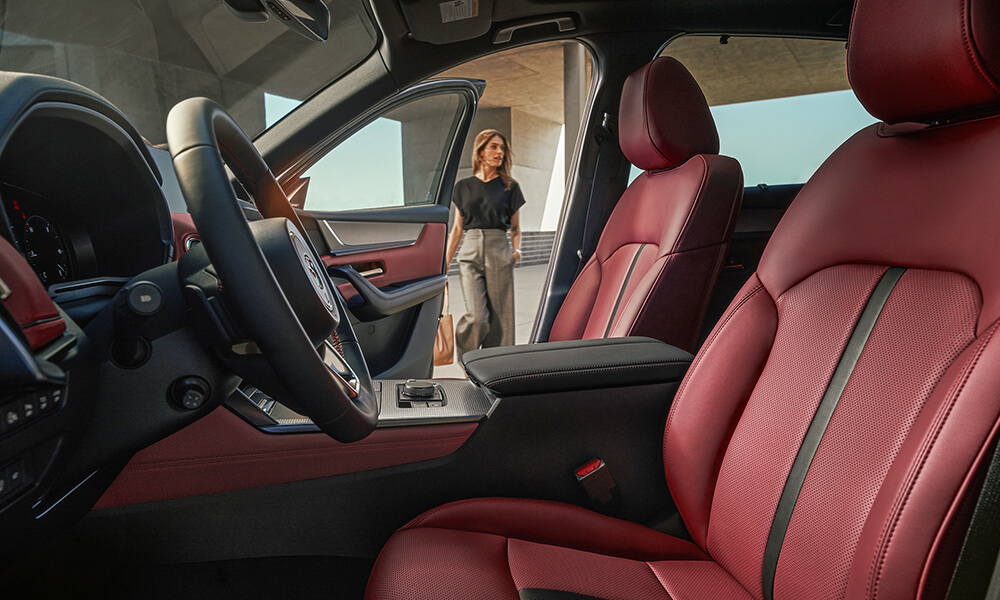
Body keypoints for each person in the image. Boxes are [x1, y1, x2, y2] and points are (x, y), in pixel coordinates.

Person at [445, 129, 525, 358]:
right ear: (480, 152)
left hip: (499, 248)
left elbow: (516, 228)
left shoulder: (510, 187)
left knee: (501, 319)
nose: (499, 152)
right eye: (493, 147)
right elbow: (457, 229)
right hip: (469, 251)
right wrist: (445, 263)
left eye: (502, 148)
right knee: (478, 317)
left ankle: (495, 367)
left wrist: (516, 250)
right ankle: (468, 360)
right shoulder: (463, 187)